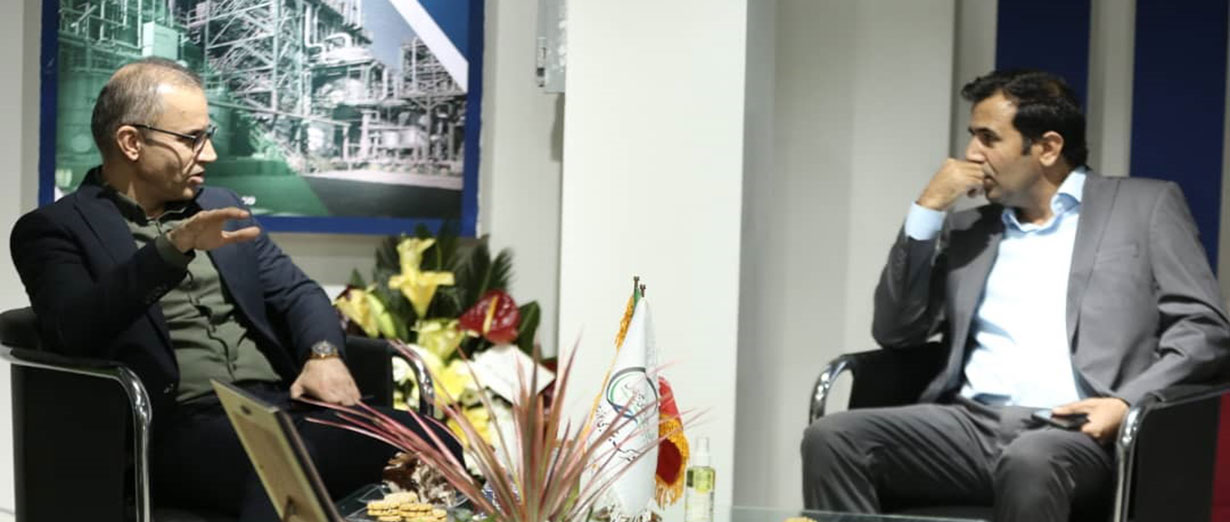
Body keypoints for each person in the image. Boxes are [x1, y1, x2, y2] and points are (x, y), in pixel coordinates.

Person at [10, 57, 460, 521]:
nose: (209, 155)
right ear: (131, 142)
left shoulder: (221, 205)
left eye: (207, 136)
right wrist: (171, 250)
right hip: (174, 424)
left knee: (434, 439)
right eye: (191, 140)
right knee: (279, 467)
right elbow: (71, 330)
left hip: (280, 403)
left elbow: (298, 292)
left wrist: (323, 354)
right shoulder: (54, 229)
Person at [801, 69, 1230, 521]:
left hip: (1079, 431)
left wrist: (1126, 403)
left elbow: (1204, 329)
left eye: (988, 138)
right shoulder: (970, 230)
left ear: (1048, 147)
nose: (971, 153)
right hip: (969, 426)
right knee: (833, 437)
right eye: (973, 136)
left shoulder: (1144, 206)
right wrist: (927, 211)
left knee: (1032, 458)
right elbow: (896, 330)